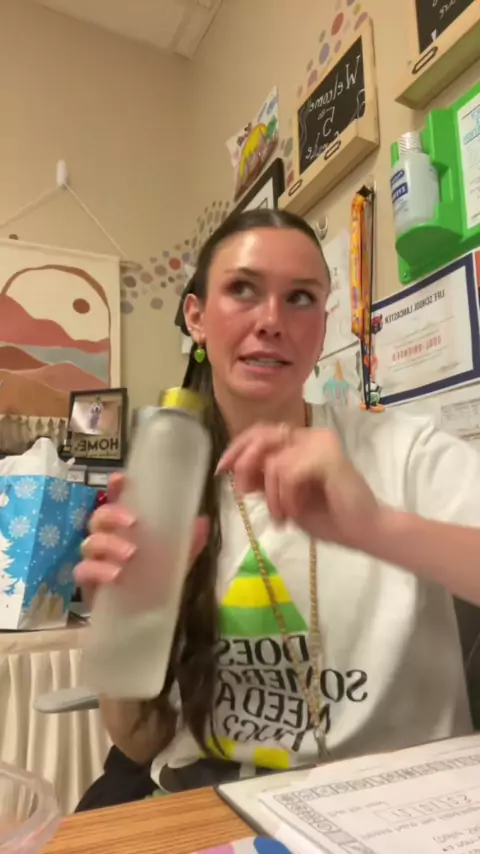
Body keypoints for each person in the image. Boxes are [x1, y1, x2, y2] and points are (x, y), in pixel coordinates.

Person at [75, 208, 480, 809]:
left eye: (300, 298)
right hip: (213, 806)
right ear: (196, 317)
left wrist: (378, 528)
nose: (271, 321)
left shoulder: (406, 452)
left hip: (400, 804)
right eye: (242, 289)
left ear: (322, 325)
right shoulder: (165, 491)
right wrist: (122, 621)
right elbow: (140, 742)